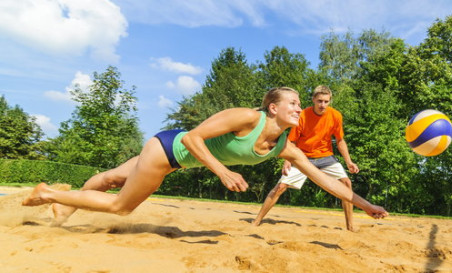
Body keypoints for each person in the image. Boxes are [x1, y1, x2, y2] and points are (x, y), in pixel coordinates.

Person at [22, 87, 388, 226]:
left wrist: (366, 204)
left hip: (172, 154)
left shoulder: (285, 146)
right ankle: (51, 193)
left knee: (108, 179)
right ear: (273, 108)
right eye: (292, 102)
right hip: (169, 150)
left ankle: (62, 209)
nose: (299, 107)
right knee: (120, 206)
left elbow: (326, 180)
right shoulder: (248, 117)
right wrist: (222, 172)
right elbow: (195, 137)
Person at [252, 85, 360, 231]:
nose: (323, 105)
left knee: (346, 183)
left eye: (326, 101)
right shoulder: (302, 115)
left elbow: (340, 141)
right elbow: (292, 141)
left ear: (330, 101)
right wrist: (287, 161)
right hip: (302, 157)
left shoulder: (336, 116)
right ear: (313, 99)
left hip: (326, 156)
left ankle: (350, 226)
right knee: (281, 187)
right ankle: (257, 221)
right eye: (320, 101)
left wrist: (349, 161)